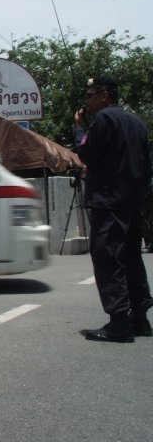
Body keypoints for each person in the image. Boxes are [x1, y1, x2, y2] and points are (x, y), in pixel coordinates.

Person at [74, 76, 152, 343]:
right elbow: (146, 166)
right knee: (131, 258)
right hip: (132, 203)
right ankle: (140, 318)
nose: (88, 100)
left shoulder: (104, 120)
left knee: (108, 259)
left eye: (91, 94)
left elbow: (86, 154)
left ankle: (119, 323)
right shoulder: (137, 123)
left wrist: (79, 129)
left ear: (105, 95)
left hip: (108, 203)